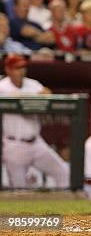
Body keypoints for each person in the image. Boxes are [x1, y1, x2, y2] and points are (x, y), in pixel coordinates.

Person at [0, 54, 69, 189]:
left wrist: (29, 97)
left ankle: (65, 209)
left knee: (63, 172)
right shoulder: (2, 87)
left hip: (37, 144)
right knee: (18, 189)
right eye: (17, 68)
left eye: (23, 67)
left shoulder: (32, 84)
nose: (21, 71)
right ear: (8, 70)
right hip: (14, 145)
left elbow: (47, 93)